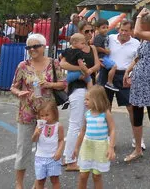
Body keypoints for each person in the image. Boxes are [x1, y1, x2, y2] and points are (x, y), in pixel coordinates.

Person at [10, 33, 66, 189]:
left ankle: (38, 182)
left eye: (36, 46)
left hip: (48, 113)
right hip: (26, 112)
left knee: (47, 148)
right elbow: (13, 86)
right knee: (23, 149)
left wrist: (49, 84)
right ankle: (19, 183)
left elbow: (63, 84)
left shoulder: (54, 63)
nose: (32, 49)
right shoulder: (23, 65)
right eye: (29, 47)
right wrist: (18, 92)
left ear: (43, 47)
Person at [123, 8, 150, 165]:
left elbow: (136, 32)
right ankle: (138, 149)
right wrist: (128, 70)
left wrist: (139, 15)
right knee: (137, 113)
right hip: (139, 76)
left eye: (144, 22)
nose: (142, 24)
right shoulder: (144, 40)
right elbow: (139, 57)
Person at [59, 21, 100, 171]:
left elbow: (96, 66)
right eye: (87, 31)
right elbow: (62, 64)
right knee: (76, 124)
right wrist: (82, 70)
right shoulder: (73, 50)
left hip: (88, 88)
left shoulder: (92, 48)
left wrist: (88, 72)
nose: (89, 34)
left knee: (84, 123)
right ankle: (70, 158)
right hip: (78, 88)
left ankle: (72, 155)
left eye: (91, 31)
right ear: (81, 32)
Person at [99, 20, 144, 151]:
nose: (123, 33)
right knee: (106, 107)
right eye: (121, 30)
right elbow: (97, 48)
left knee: (131, 107)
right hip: (108, 74)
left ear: (131, 31)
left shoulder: (136, 43)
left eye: (126, 30)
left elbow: (138, 60)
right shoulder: (110, 38)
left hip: (125, 75)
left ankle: (137, 139)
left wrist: (132, 75)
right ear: (119, 29)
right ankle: (106, 137)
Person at [73, 86, 116, 189]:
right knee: (83, 175)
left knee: (97, 176)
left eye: (87, 99)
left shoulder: (105, 113)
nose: (85, 102)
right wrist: (76, 147)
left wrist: (111, 147)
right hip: (87, 146)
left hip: (100, 147)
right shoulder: (87, 114)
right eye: (85, 99)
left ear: (97, 100)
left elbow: (113, 129)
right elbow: (82, 131)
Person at [32, 100, 65, 189]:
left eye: (47, 115)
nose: (44, 118)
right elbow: (34, 140)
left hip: (53, 158)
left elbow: (61, 140)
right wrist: (36, 133)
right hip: (40, 157)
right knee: (40, 181)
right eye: (42, 116)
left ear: (54, 113)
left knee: (55, 180)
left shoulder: (59, 126)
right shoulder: (39, 125)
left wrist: (59, 151)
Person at [91, 19, 119, 92]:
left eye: (107, 27)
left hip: (106, 56)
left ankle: (98, 84)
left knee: (101, 72)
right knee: (114, 66)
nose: (106, 29)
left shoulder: (106, 36)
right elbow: (96, 47)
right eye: (103, 28)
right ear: (97, 28)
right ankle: (109, 82)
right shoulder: (98, 37)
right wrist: (105, 51)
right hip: (102, 57)